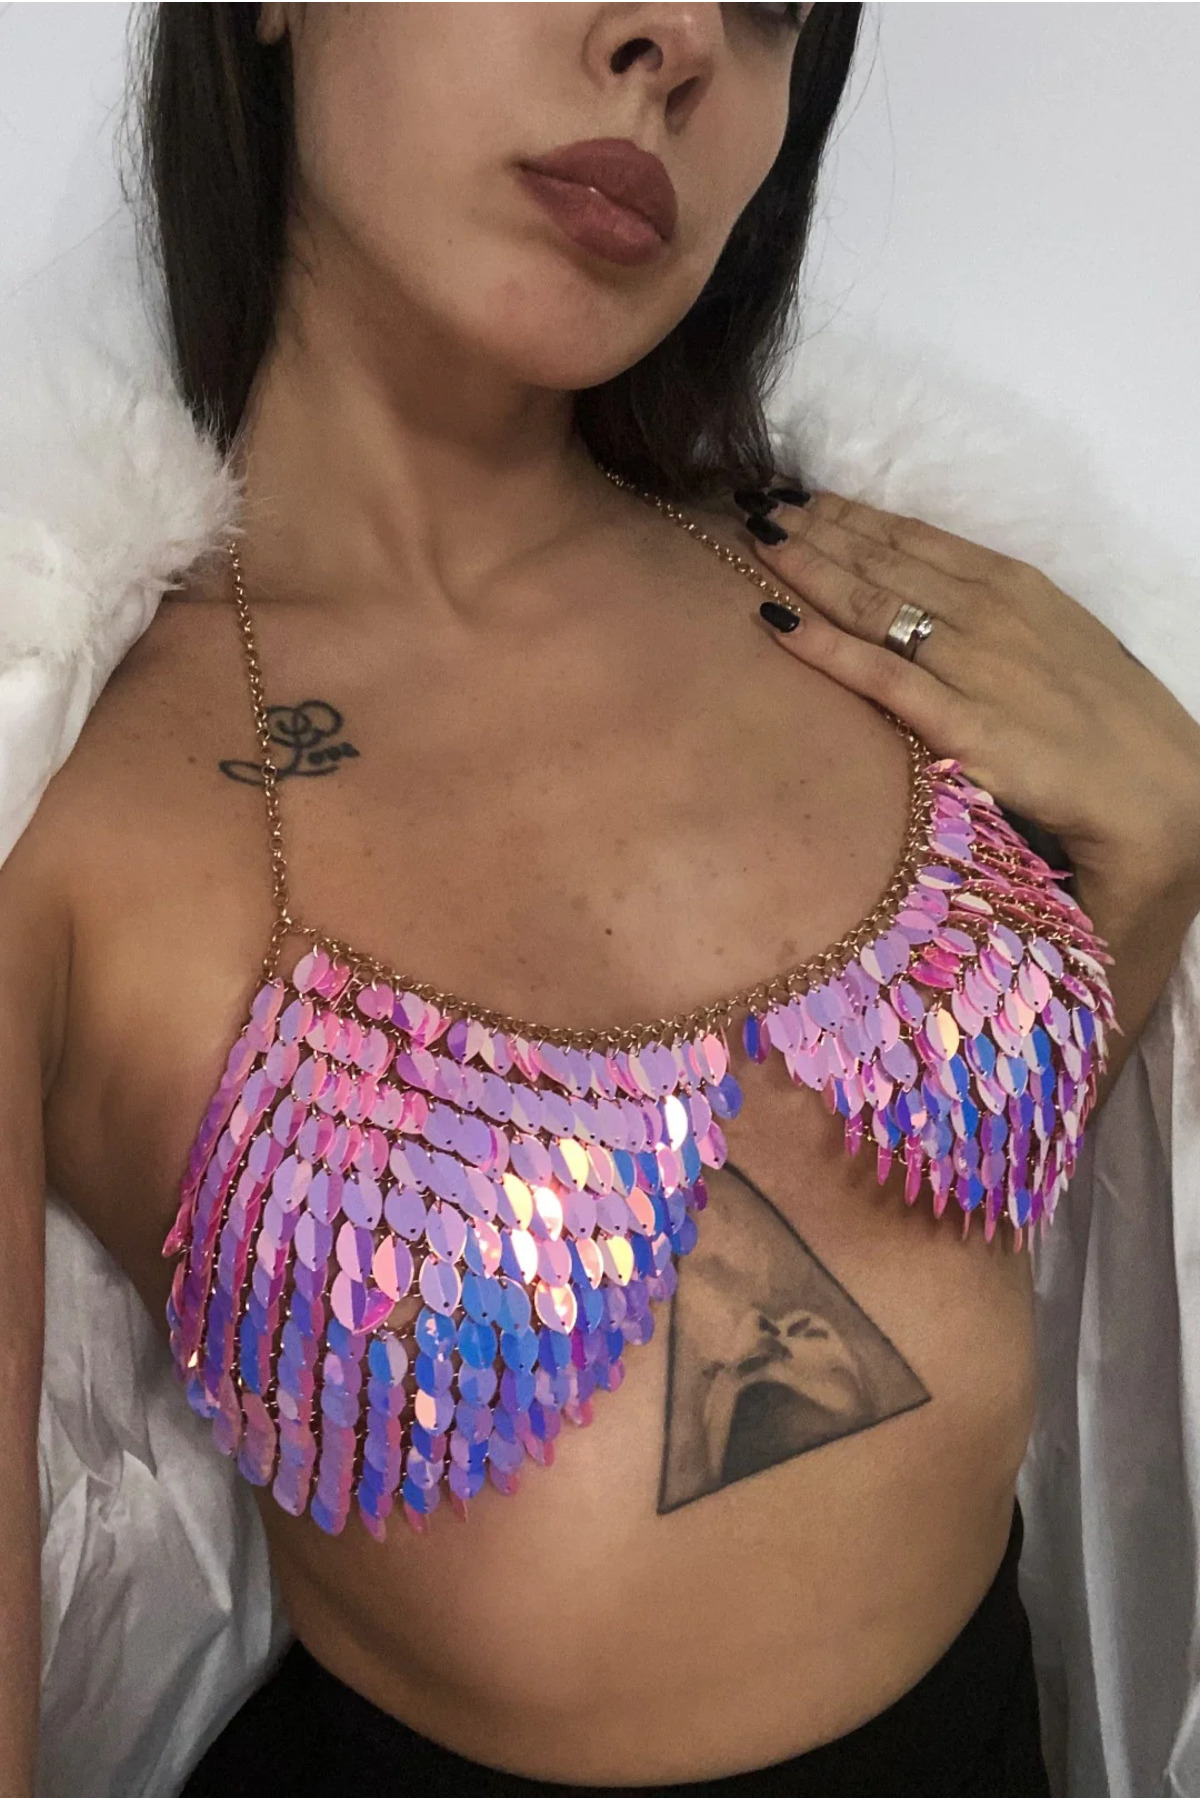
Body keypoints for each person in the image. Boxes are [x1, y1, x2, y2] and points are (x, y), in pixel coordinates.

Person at [2, 5, 1198, 1795]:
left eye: (772, 2)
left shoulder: (885, 606)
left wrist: (1161, 854)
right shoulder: (64, 812)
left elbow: (958, 1239)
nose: (678, 38)